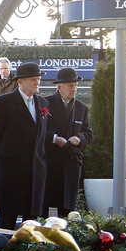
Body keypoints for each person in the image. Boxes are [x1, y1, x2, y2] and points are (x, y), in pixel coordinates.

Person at [0, 62, 49, 229]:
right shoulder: (4, 102)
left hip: (35, 175)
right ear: (20, 82)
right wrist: (4, 160)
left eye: (38, 79)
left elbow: (41, 138)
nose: (37, 83)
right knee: (7, 225)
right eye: (33, 80)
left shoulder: (43, 103)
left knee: (32, 228)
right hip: (11, 175)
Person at [42, 68, 93, 218]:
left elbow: (88, 133)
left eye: (76, 85)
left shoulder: (81, 108)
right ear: (59, 87)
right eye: (70, 85)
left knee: (67, 206)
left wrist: (79, 138)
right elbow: (38, 130)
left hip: (71, 163)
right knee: (45, 203)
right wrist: (54, 138)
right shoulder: (45, 103)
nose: (74, 89)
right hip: (50, 162)